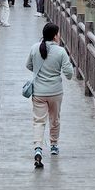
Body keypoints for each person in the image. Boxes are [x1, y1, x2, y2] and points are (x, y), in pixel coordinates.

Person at [26, 22, 73, 168]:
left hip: (39, 92)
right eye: (58, 33)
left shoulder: (35, 48)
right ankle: (53, 146)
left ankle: (38, 148)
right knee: (55, 119)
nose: (59, 36)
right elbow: (69, 74)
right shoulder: (60, 52)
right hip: (55, 92)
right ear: (54, 36)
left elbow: (28, 65)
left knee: (38, 121)